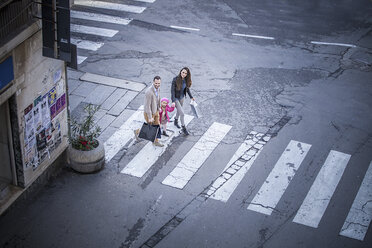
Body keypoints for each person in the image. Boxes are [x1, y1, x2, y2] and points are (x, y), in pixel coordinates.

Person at [134, 76, 163, 147]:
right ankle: (137, 131)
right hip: (149, 113)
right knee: (148, 128)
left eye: (158, 83)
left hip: (156, 111)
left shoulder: (158, 88)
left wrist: (159, 107)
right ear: (153, 82)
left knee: (157, 126)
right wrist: (150, 117)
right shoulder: (149, 92)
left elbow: (158, 98)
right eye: (156, 83)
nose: (157, 85)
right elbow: (147, 106)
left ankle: (156, 141)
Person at [171, 67, 195, 135]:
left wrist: (191, 97)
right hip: (175, 98)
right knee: (182, 113)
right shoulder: (175, 79)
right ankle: (183, 127)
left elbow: (187, 89)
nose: (184, 74)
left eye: (185, 73)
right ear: (180, 72)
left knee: (179, 110)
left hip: (182, 98)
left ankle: (175, 120)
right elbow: (172, 91)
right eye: (183, 72)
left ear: (187, 74)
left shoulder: (186, 80)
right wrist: (173, 101)